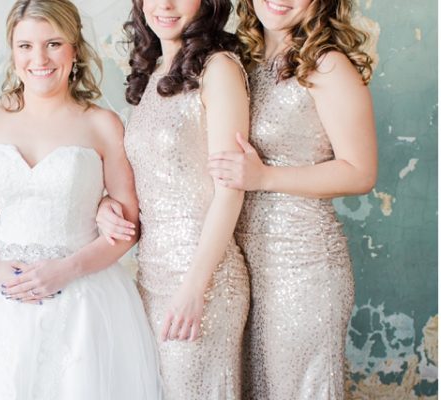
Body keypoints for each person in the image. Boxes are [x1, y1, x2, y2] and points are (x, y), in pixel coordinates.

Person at [0, 1, 162, 398]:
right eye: (25, 46)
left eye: (53, 44)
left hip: (83, 299)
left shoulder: (102, 124)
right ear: (13, 52)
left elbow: (127, 229)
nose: (39, 59)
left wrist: (67, 270)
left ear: (74, 49)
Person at [207, 0, 377, 398]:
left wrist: (265, 177)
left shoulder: (327, 65)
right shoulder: (241, 62)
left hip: (303, 269)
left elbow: (360, 172)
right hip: (243, 270)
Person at [99, 0, 251, 397]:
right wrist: (105, 205)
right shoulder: (154, 74)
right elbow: (150, 179)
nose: (164, 5)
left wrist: (195, 287)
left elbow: (230, 189)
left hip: (203, 280)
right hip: (151, 276)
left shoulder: (219, 69)